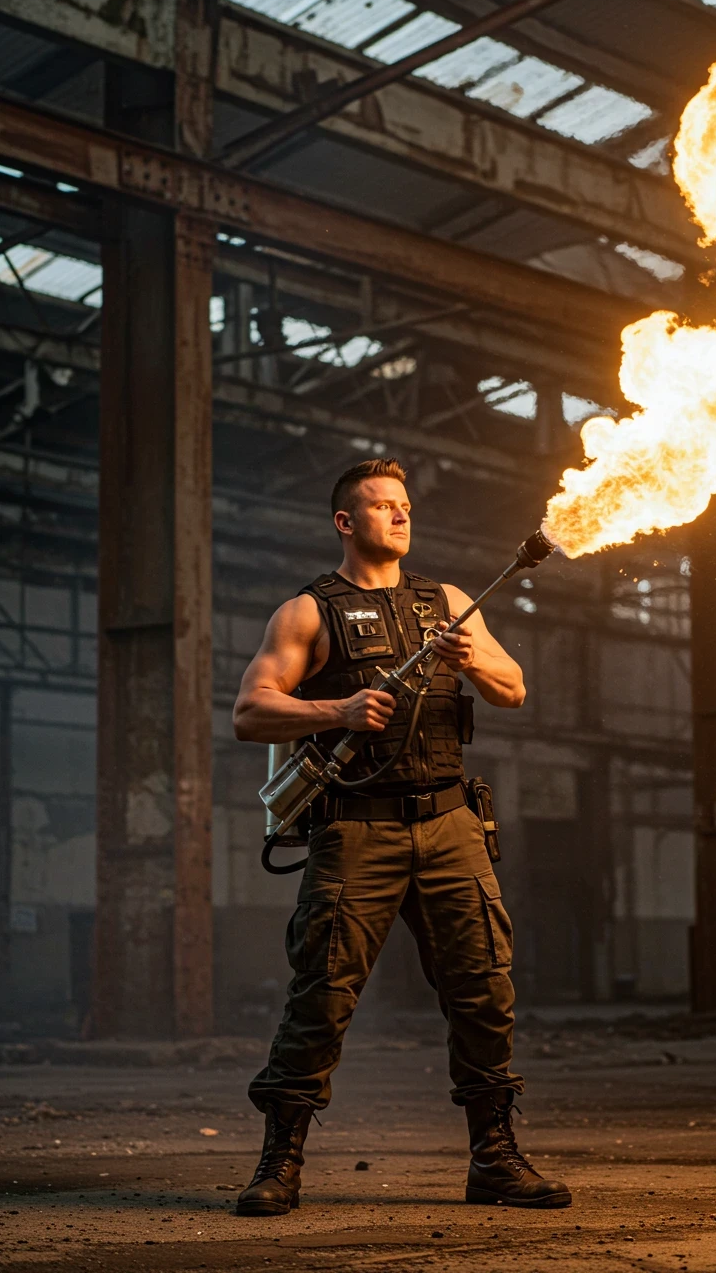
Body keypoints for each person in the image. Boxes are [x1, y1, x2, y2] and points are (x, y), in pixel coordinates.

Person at [232, 458, 570, 1216]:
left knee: (484, 989)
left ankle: (494, 1159)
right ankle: (279, 1163)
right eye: (383, 505)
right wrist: (339, 711)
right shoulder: (307, 612)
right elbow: (250, 712)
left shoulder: (448, 603)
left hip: (450, 823)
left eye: (406, 505)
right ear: (345, 522)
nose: (400, 514)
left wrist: (470, 658)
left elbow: (514, 689)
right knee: (322, 993)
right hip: (358, 827)